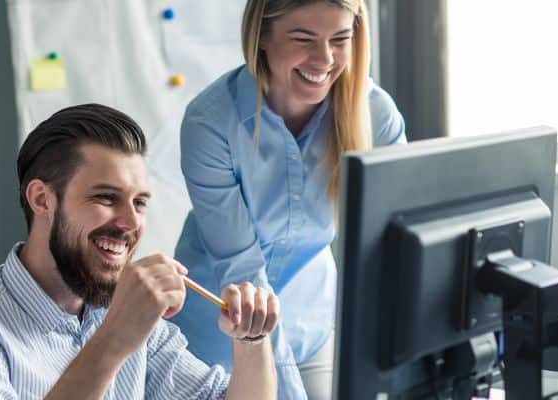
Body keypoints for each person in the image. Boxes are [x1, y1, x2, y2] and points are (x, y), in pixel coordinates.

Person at [0, 104, 280, 399]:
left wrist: (251, 339)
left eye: (139, 203)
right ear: (42, 199)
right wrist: (115, 338)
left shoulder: (130, 319)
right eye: (106, 198)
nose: (130, 222)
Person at [170, 1, 408, 399]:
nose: (325, 59)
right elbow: (242, 271)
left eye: (340, 39)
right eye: (304, 39)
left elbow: (400, 233)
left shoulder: (374, 113)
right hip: (218, 335)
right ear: (262, 36)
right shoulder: (210, 122)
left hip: (310, 328)